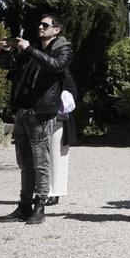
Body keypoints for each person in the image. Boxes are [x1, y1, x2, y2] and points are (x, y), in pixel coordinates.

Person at [0, 12, 73, 225]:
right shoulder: (33, 49)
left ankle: (40, 206)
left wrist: (28, 49)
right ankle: (24, 206)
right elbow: (8, 66)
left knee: (40, 161)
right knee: (24, 161)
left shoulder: (63, 49)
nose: (40, 27)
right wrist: (5, 52)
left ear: (56, 29)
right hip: (23, 110)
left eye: (45, 25)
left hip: (42, 111)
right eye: (39, 24)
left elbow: (55, 65)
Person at [45, 74, 78, 206]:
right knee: (42, 157)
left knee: (58, 157)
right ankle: (43, 191)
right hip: (41, 119)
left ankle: (55, 192)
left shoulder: (64, 76)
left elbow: (72, 96)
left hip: (59, 120)